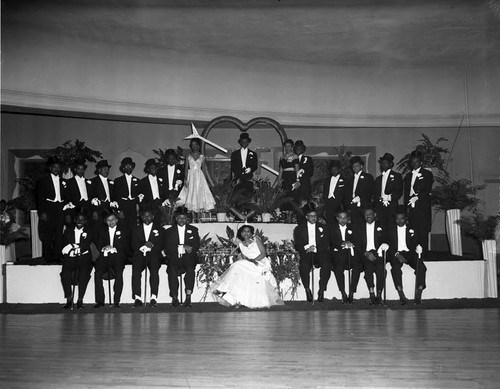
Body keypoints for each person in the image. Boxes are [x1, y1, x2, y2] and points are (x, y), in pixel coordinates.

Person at [212, 224, 284, 308]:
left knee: (237, 265)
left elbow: (263, 253)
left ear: (251, 233)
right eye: (244, 231)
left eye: (248, 231)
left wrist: (254, 261)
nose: (246, 233)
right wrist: (248, 260)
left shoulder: (255, 240)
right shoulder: (240, 244)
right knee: (237, 267)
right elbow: (245, 257)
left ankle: (223, 289)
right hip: (249, 264)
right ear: (241, 234)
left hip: (260, 263)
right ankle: (229, 295)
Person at [293, 202, 331, 303]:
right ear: (306, 217)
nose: (314, 218)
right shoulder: (299, 229)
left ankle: (322, 290)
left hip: (320, 252)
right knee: (304, 266)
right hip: (307, 253)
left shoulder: (323, 227)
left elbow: (326, 242)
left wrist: (316, 248)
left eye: (315, 216)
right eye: (311, 216)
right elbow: (298, 244)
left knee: (327, 265)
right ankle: (307, 290)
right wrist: (307, 248)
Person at [388, 209, 427, 305]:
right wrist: (397, 255)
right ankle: (401, 294)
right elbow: (389, 245)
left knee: (421, 268)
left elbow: (419, 240)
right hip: (397, 254)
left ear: (405, 219)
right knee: (395, 269)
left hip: (410, 253)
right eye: (397, 219)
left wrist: (419, 246)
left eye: (402, 219)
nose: (399, 221)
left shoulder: (412, 229)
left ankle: (418, 294)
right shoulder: (390, 230)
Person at [164, 207, 200, 307]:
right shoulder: (169, 231)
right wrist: (180, 246)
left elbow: (196, 245)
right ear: (176, 219)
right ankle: (174, 297)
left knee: (190, 271)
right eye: (179, 218)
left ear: (187, 219)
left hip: (188, 257)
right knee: (172, 272)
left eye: (184, 218)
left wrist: (188, 248)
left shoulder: (193, 230)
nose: (182, 220)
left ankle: (188, 297)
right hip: (174, 256)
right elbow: (167, 247)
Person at [131, 204, 165, 307]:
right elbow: (133, 243)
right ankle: (137, 298)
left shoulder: (160, 229)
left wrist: (152, 246)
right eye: (144, 216)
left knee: (154, 271)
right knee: (136, 271)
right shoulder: (136, 229)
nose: (146, 218)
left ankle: (153, 297)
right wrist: (142, 247)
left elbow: (162, 244)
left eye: (149, 216)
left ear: (153, 217)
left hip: (154, 254)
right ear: (141, 217)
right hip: (140, 254)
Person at [60, 208, 94, 309]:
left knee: (84, 274)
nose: (80, 222)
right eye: (78, 219)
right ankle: (69, 299)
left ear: (85, 221)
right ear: (74, 220)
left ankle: (80, 299)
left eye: (82, 220)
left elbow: (87, 244)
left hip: (84, 257)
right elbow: (64, 244)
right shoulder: (68, 231)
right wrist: (71, 249)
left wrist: (76, 246)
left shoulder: (90, 231)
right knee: (65, 274)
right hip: (70, 257)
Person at [94, 208, 128, 308]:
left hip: (118, 257)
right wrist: (105, 247)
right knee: (98, 273)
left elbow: (126, 246)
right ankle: (100, 301)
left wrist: (115, 249)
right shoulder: (101, 230)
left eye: (113, 219)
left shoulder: (123, 230)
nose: (111, 222)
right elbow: (99, 244)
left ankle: (116, 301)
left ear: (117, 220)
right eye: (108, 220)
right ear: (105, 221)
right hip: (104, 257)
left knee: (118, 273)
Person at [403, 151, 433, 257]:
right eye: (413, 162)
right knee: (412, 230)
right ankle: (414, 254)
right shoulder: (408, 176)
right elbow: (406, 194)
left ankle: (423, 254)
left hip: (422, 207)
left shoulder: (427, 174)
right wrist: (406, 207)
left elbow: (427, 189)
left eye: (417, 161)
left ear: (421, 162)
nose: (414, 163)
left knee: (422, 230)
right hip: (411, 208)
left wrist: (418, 197)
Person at [35, 156, 65, 263]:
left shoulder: (63, 181)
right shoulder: (43, 181)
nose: (57, 169)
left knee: (59, 234)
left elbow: (66, 197)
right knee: (48, 234)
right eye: (54, 167)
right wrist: (42, 212)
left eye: (58, 167)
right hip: (48, 208)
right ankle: (47, 257)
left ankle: (57, 256)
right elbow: (39, 197)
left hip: (60, 209)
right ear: (50, 168)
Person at [330, 209, 363, 304]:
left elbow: (358, 241)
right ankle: (343, 293)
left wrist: (351, 243)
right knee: (338, 269)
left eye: (345, 218)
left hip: (351, 253)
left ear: (348, 218)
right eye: (341, 218)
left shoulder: (353, 228)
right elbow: (331, 242)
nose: (343, 220)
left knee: (357, 267)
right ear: (337, 218)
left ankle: (352, 292)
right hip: (338, 254)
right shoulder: (332, 229)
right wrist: (342, 243)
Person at [177, 138, 216, 217]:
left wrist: (204, 180)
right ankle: (193, 217)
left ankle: (199, 218)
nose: (194, 146)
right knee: (191, 194)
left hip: (199, 177)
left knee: (199, 195)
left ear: (198, 146)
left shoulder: (202, 157)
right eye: (192, 145)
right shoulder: (188, 155)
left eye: (196, 145)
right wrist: (186, 180)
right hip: (190, 176)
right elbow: (186, 169)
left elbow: (204, 169)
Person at [359, 208, 388, 305]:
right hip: (365, 253)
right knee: (368, 268)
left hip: (378, 252)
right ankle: (371, 292)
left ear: (375, 214)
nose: (368, 216)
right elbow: (357, 243)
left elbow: (387, 239)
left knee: (381, 269)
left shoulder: (382, 226)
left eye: (370, 214)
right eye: (366, 214)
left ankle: (379, 293)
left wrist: (383, 247)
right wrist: (366, 253)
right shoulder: (360, 227)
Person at [374, 153, 403, 241]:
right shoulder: (378, 179)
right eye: (382, 163)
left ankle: (392, 249)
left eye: (386, 163)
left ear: (391, 164)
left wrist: (390, 197)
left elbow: (399, 191)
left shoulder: (397, 176)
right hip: (380, 207)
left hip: (392, 206)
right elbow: (376, 193)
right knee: (382, 227)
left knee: (392, 227)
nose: (383, 165)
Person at [112, 157, 140, 245]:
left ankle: (132, 250)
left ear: (132, 168)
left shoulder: (137, 181)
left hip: (133, 207)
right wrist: (119, 210)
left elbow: (139, 196)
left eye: (130, 166)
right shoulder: (118, 181)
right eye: (126, 167)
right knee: (123, 228)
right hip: (123, 206)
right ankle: (123, 250)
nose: (128, 168)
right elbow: (116, 196)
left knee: (133, 228)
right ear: (123, 168)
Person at [229, 133, 258, 203]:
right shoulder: (235, 154)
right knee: (238, 197)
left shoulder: (253, 154)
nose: (244, 143)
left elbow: (255, 165)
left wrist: (250, 169)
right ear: (240, 142)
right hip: (238, 179)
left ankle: (247, 211)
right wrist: (239, 172)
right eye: (243, 141)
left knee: (248, 197)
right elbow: (233, 166)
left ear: (248, 142)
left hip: (248, 179)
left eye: (246, 141)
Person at [348, 156, 374, 228]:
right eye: (353, 166)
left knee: (363, 225)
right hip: (353, 206)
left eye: (357, 166)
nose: (355, 168)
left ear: (361, 166)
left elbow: (371, 190)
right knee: (354, 225)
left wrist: (360, 198)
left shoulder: (368, 177)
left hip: (364, 206)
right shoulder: (350, 179)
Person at [138, 159, 165, 225]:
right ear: (148, 169)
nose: (154, 169)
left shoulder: (161, 180)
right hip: (149, 206)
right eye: (152, 168)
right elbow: (141, 197)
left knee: (159, 224)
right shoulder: (142, 182)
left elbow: (164, 192)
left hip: (160, 205)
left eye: (155, 167)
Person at [89, 159, 116, 225]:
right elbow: (90, 197)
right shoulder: (93, 182)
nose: (107, 171)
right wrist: (94, 211)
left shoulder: (111, 182)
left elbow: (114, 196)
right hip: (99, 208)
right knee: (98, 227)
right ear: (99, 170)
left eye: (108, 169)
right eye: (104, 169)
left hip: (109, 209)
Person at [63, 159, 91, 225]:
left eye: (82, 169)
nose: (81, 171)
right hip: (74, 209)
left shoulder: (89, 182)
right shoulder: (69, 182)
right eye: (79, 169)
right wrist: (68, 214)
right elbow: (66, 198)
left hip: (87, 208)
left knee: (87, 228)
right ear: (75, 169)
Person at [323, 160, 349, 228]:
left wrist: (345, 207)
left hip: (339, 205)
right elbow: (325, 193)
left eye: (335, 170)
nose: (333, 171)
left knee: (338, 224)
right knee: (329, 224)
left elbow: (346, 195)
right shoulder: (327, 180)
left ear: (339, 170)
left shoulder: (345, 180)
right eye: (332, 170)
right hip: (329, 204)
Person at [277, 139, 299, 206]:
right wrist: (279, 180)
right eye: (286, 146)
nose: (287, 148)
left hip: (292, 177)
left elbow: (297, 169)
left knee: (292, 196)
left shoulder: (295, 156)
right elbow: (280, 170)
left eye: (289, 146)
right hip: (284, 177)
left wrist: (297, 180)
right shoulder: (282, 157)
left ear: (292, 147)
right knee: (284, 195)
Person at [294, 140, 314, 205]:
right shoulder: (291, 159)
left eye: (300, 147)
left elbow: (310, 172)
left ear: (303, 149)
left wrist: (302, 172)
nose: (298, 149)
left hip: (304, 188)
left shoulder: (308, 159)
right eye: (297, 147)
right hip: (293, 189)